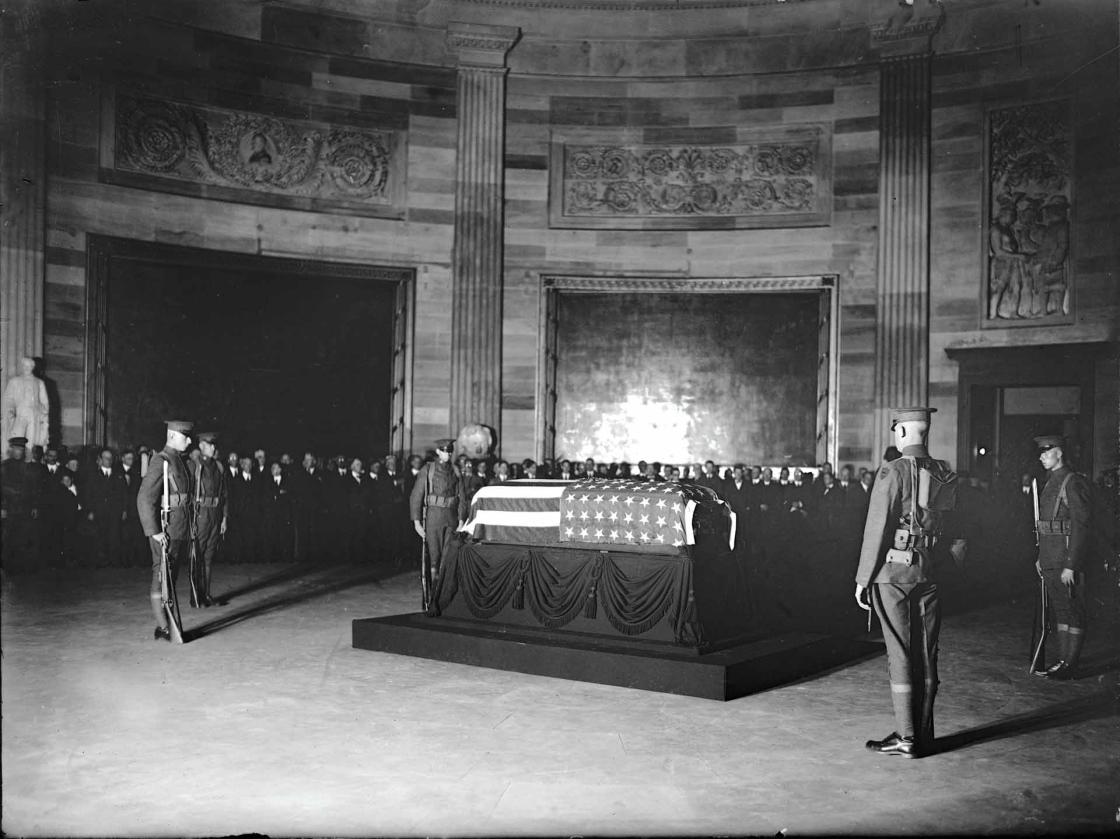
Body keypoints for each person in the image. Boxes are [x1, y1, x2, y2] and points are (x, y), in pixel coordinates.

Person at [854, 407, 965, 759]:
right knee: (927, 652)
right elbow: (959, 531)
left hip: (896, 574)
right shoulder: (944, 472)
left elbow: (876, 529)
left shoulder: (894, 470)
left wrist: (862, 579)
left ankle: (906, 736)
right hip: (931, 572)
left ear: (902, 433)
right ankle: (924, 733)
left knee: (900, 653)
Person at [1032, 435, 1092, 679]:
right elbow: (1046, 526)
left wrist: (1072, 564)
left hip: (1066, 558)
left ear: (1060, 452)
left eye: (1047, 451)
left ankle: (1070, 664)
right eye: (1041, 452)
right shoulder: (1050, 481)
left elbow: (1081, 524)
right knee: (1060, 609)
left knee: (1073, 609)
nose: (1041, 456)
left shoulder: (1072, 481)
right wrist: (1040, 556)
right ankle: (1062, 661)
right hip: (1049, 557)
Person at [136, 420, 194, 641]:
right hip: (165, 529)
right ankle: (163, 625)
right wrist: (154, 531)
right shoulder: (161, 460)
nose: (189, 440)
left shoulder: (178, 460)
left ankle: (166, 621)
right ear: (171, 436)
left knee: (170, 576)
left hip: (178, 528)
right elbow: (144, 498)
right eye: (185, 436)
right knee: (160, 575)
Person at [410, 439, 468, 592]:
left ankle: (444, 591)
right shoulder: (428, 469)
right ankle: (432, 591)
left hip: (451, 518)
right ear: (438, 452)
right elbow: (416, 496)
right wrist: (416, 522)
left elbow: (462, 498)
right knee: (434, 557)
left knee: (448, 556)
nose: (447, 454)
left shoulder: (456, 471)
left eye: (449, 451)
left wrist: (461, 520)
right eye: (444, 451)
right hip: (433, 518)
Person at [189, 432, 228, 607]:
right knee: (197, 555)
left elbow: (225, 495)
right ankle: (196, 596)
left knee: (209, 557)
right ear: (202, 446)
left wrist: (224, 518)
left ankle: (206, 594)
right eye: (209, 445)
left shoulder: (218, 467)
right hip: (201, 514)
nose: (213, 449)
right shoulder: (194, 466)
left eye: (213, 446)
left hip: (215, 514)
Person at [1, 436, 41, 571]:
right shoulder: (4, 467)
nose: (19, 452)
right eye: (16, 449)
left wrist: (35, 506)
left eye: (21, 449)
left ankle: (21, 566)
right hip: (10, 507)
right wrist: (3, 507)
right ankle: (8, 566)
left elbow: (33, 488)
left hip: (25, 507)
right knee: (8, 536)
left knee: (23, 536)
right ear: (11, 450)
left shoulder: (28, 468)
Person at [1, 357, 50, 452]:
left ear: (33, 367)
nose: (26, 368)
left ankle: (32, 461)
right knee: (17, 440)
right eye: (24, 366)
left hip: (34, 415)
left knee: (33, 441)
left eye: (29, 366)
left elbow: (45, 402)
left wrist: (43, 412)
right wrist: (11, 411)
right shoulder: (14, 381)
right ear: (22, 367)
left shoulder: (39, 382)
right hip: (20, 414)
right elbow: (8, 399)